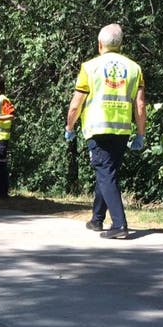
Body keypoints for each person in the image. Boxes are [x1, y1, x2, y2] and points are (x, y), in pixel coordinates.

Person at [64, 24, 146, 239]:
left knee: (105, 173)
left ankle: (119, 225)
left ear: (100, 44)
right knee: (108, 173)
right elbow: (140, 104)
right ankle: (97, 219)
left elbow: (76, 104)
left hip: (98, 128)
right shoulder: (134, 68)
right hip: (121, 130)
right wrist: (140, 133)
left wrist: (69, 126)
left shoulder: (89, 67)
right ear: (121, 44)